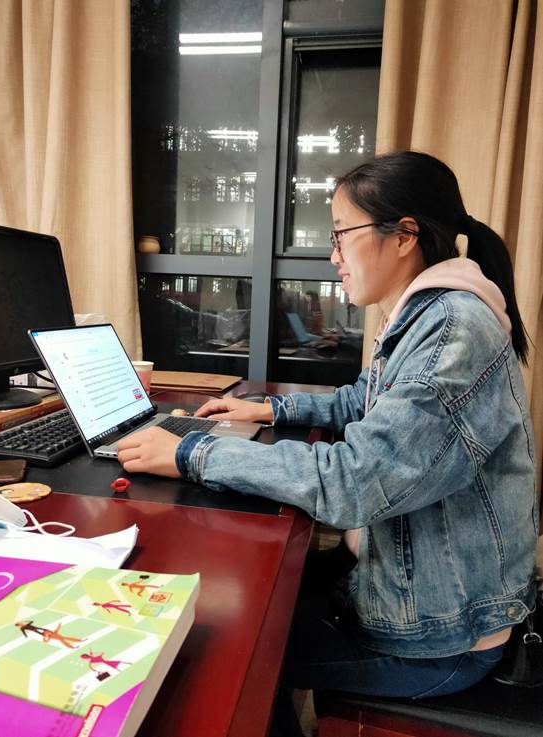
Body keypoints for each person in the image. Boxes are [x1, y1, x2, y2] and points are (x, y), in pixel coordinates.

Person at [118, 151, 538, 734]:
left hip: (440, 636)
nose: (333, 255)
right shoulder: (429, 311)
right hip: (414, 594)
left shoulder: (452, 330)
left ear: (405, 235)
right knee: (249, 598)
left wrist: (194, 453)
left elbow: (356, 481)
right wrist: (271, 407)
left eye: (342, 234)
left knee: (225, 653)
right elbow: (364, 400)